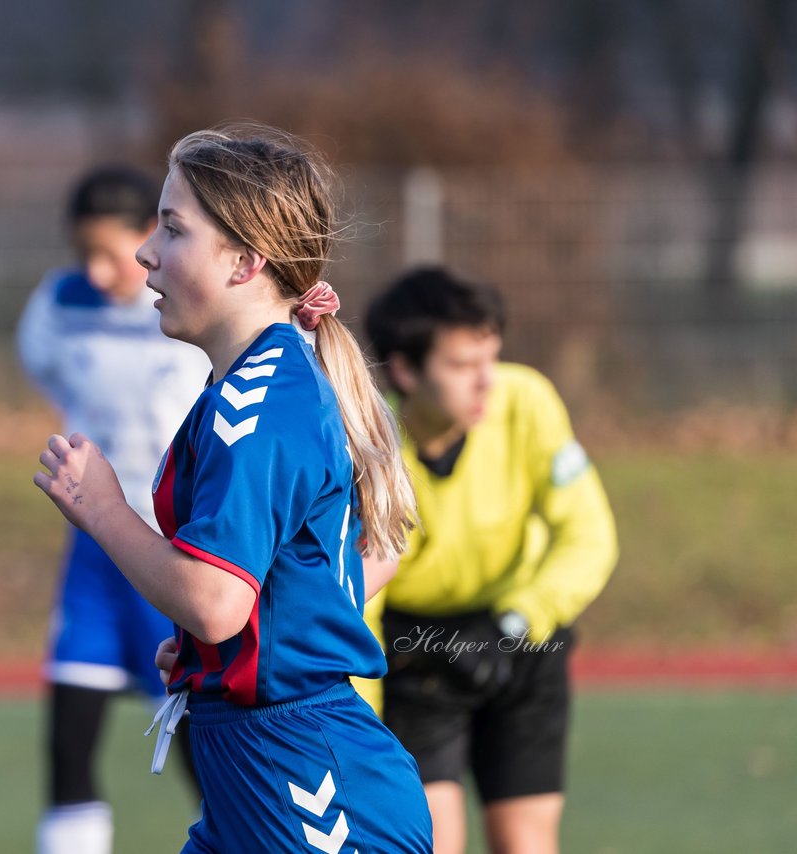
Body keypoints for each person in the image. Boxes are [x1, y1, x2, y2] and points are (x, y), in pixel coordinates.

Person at [34, 124, 433, 853]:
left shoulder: (260, 406)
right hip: (258, 783)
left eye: (173, 229)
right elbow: (348, 564)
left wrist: (102, 508)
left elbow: (217, 602)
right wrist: (214, 655)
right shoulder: (245, 389)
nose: (145, 252)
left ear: (246, 261)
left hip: (310, 794)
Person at [354, 266, 619, 854]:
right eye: (461, 366)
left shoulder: (527, 401)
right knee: (429, 844)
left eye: (490, 359)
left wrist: (515, 623)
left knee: (526, 845)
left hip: (523, 637)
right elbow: (360, 602)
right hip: (417, 659)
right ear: (403, 371)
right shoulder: (371, 453)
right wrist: (359, 731)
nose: (487, 383)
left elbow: (589, 535)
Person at [18, 166, 210, 854]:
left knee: (205, 754)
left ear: (153, 236)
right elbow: (46, 370)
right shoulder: (59, 306)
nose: (98, 273)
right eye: (85, 254)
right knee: (69, 743)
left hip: (173, 555)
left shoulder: (194, 313)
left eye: (112, 253)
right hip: (95, 556)